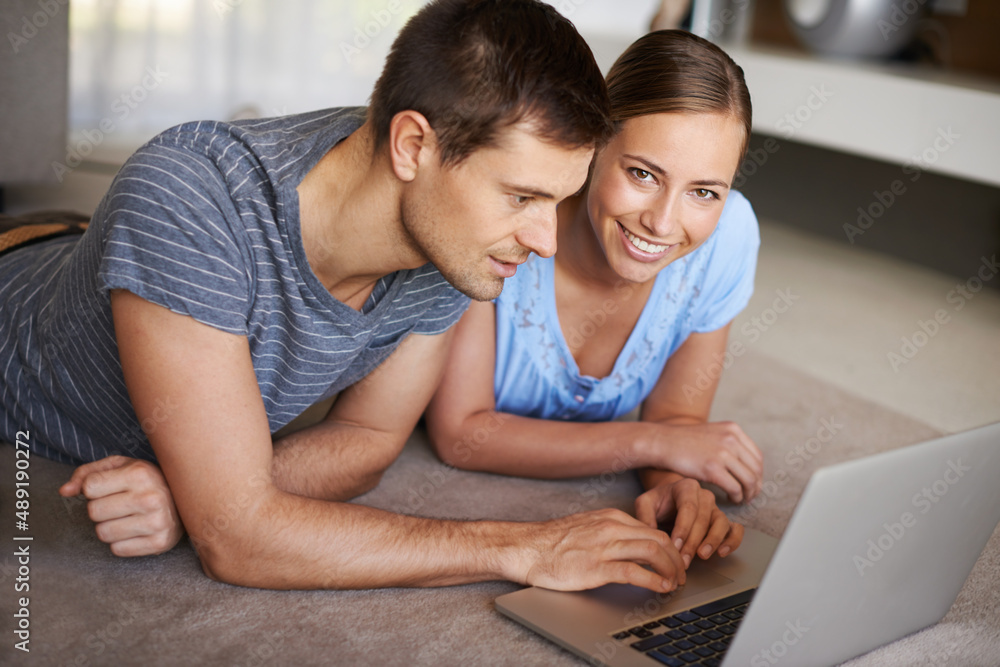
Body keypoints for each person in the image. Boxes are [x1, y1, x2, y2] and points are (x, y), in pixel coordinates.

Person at [0, 0, 695, 594]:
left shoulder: (451, 237)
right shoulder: (189, 196)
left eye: (558, 202)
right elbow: (238, 541)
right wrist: (521, 546)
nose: (545, 240)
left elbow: (364, 443)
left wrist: (199, 498)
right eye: (522, 196)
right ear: (412, 144)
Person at [425, 29, 764, 570]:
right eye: (642, 173)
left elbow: (677, 417)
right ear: (595, 144)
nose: (663, 221)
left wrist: (677, 485)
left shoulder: (728, 238)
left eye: (704, 192)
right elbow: (463, 433)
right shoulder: (511, 220)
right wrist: (653, 445)